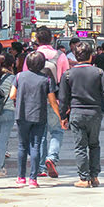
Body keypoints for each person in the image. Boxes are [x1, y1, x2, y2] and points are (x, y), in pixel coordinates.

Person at [59, 41, 104, 187]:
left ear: (75, 55)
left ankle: (83, 178)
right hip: (94, 113)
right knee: (94, 144)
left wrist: (63, 117)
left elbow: (63, 98)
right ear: (91, 56)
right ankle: (94, 176)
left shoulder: (68, 74)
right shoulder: (99, 73)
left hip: (76, 113)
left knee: (80, 146)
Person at [11, 51, 60, 188]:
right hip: (39, 115)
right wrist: (59, 115)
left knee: (22, 145)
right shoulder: (46, 79)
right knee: (36, 146)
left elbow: (12, 95)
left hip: (22, 115)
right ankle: (33, 179)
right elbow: (52, 101)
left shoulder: (20, 76)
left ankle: (21, 177)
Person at [29, 27, 70, 178]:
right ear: (51, 39)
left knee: (39, 134)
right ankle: (51, 157)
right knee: (57, 131)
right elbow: (66, 79)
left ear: (37, 40)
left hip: (35, 101)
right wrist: (67, 103)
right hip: (56, 99)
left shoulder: (31, 56)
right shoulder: (60, 56)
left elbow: (26, 77)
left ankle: (41, 168)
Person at [0, 53, 18, 178]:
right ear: (11, 64)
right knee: (3, 141)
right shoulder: (13, 78)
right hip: (8, 110)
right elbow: (15, 95)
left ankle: (1, 166)